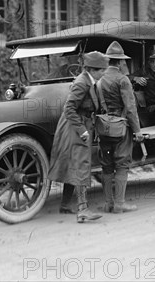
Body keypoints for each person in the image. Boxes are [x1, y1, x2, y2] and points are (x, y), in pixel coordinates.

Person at [48, 51, 109, 223]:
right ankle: (83, 210)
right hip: (75, 127)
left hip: (75, 126)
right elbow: (69, 109)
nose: (104, 73)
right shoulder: (82, 83)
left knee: (72, 164)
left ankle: (66, 205)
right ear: (94, 69)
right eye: (102, 70)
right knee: (81, 165)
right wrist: (82, 130)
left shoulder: (89, 80)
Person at [98, 41, 144, 213]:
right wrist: (137, 130)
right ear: (118, 62)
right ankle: (119, 203)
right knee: (122, 164)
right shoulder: (123, 80)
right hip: (121, 126)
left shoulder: (99, 80)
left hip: (103, 126)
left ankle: (108, 203)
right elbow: (130, 108)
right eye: (123, 61)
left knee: (106, 165)